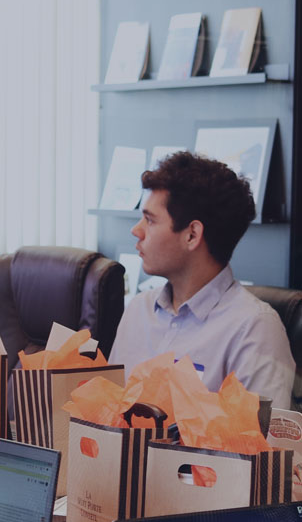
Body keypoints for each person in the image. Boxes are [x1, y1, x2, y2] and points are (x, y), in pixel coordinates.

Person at [109, 151, 294, 409]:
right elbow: (106, 417)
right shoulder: (138, 310)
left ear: (192, 235)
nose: (136, 230)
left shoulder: (254, 329)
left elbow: (262, 446)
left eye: (150, 220)